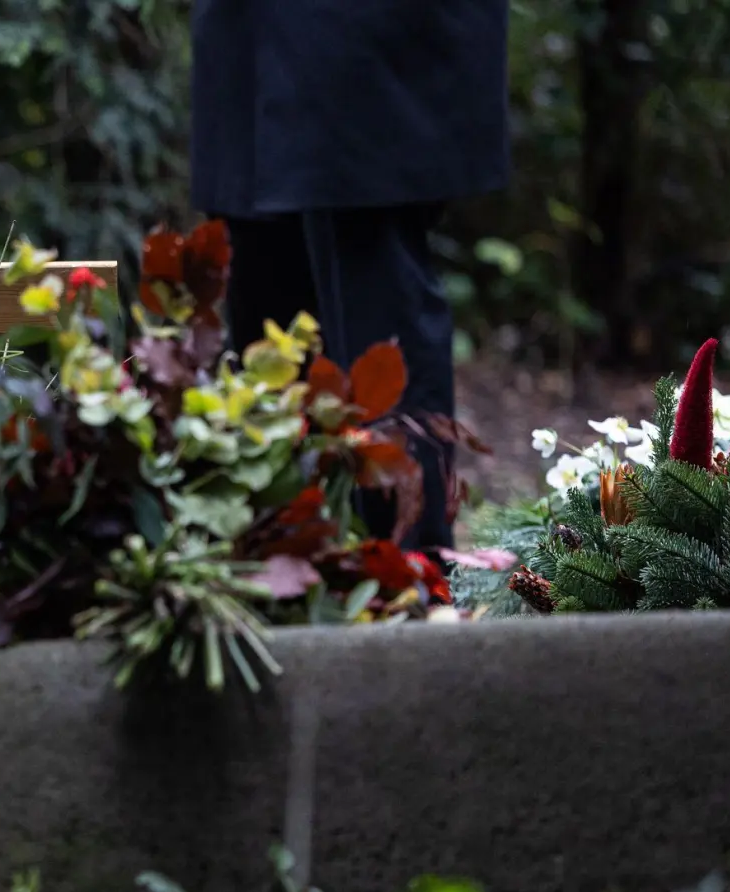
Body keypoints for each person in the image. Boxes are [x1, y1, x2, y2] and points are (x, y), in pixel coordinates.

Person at [191, 0, 510, 550]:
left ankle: (404, 579)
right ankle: (287, 564)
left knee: (373, 283)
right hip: (254, 34)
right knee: (264, 291)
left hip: (357, 35)